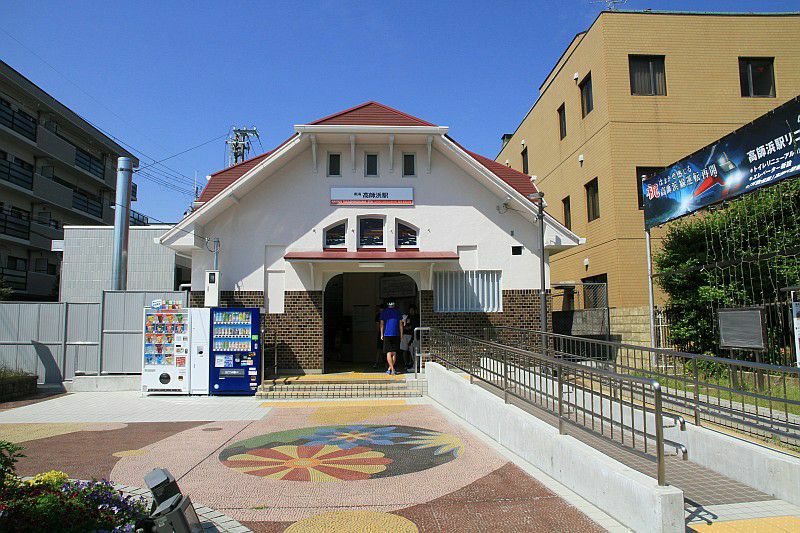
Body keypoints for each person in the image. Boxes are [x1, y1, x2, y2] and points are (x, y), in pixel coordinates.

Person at [380, 300, 403, 375]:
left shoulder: (384, 312)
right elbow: (401, 324)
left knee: (389, 352)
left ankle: (392, 369)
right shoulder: (398, 312)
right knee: (394, 353)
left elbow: (382, 324)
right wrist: (401, 334)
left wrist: (381, 334)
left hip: (387, 334)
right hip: (396, 334)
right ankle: (390, 369)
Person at [401, 305, 420, 372]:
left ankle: (415, 366)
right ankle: (413, 365)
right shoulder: (407, 317)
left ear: (415, 311)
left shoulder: (417, 317)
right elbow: (405, 326)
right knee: (410, 351)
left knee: (414, 352)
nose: (411, 312)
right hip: (412, 337)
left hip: (415, 337)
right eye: (410, 310)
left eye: (412, 310)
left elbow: (412, 327)